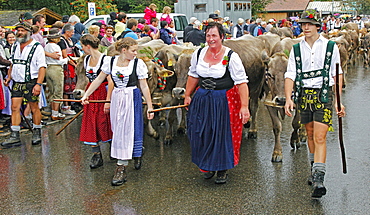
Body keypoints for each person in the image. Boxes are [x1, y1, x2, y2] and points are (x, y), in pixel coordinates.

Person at [284, 9, 345, 198]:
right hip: (304, 96)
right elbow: (290, 75)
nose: (305, 27)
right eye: (303, 24)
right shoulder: (296, 49)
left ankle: (319, 178)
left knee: (320, 137)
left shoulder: (330, 46)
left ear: (318, 26)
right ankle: (313, 168)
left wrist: (338, 101)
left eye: (309, 24)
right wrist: (288, 98)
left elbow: (337, 73)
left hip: (324, 95)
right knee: (309, 134)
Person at [81, 37, 154, 186]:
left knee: (126, 132)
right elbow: (99, 79)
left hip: (131, 98)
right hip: (116, 98)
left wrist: (150, 106)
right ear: (124, 50)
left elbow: (144, 86)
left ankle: (121, 168)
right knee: (118, 130)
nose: (135, 53)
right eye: (133, 51)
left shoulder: (138, 64)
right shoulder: (111, 62)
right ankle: (135, 151)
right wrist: (86, 94)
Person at [184, 22, 250, 184]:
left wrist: (244, 107)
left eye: (214, 36)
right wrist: (187, 95)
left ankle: (221, 168)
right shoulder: (198, 53)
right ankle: (207, 165)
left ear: (222, 37)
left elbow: (241, 83)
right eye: (208, 35)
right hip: (202, 98)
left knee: (220, 133)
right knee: (201, 131)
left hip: (222, 100)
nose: (211, 39)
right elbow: (193, 76)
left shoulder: (231, 56)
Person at [1, 22, 46, 148]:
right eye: (18, 30)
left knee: (34, 107)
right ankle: (15, 135)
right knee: (15, 108)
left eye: (22, 30)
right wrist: (9, 77)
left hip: (31, 81)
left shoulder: (36, 47)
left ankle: (37, 131)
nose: (19, 32)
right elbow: (12, 63)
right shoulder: (15, 45)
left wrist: (38, 84)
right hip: (17, 82)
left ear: (29, 32)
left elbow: (42, 67)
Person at [79, 34, 113, 169]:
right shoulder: (86, 59)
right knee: (91, 123)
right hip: (91, 92)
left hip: (103, 92)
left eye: (82, 46)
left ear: (88, 46)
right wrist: (86, 94)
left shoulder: (105, 59)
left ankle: (113, 148)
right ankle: (96, 154)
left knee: (105, 121)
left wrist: (107, 101)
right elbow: (89, 80)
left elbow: (110, 82)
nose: (81, 49)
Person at [44, 28, 68, 121]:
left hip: (48, 67)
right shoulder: (56, 47)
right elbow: (59, 59)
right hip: (56, 68)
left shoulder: (46, 46)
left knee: (51, 90)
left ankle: (53, 110)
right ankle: (55, 113)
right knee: (58, 91)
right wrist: (67, 60)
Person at [58, 23, 78, 115]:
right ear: (67, 31)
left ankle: (70, 103)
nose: (73, 33)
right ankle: (66, 105)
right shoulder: (62, 41)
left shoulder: (69, 40)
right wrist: (74, 63)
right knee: (67, 85)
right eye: (72, 32)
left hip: (72, 62)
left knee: (72, 84)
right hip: (67, 64)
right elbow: (64, 55)